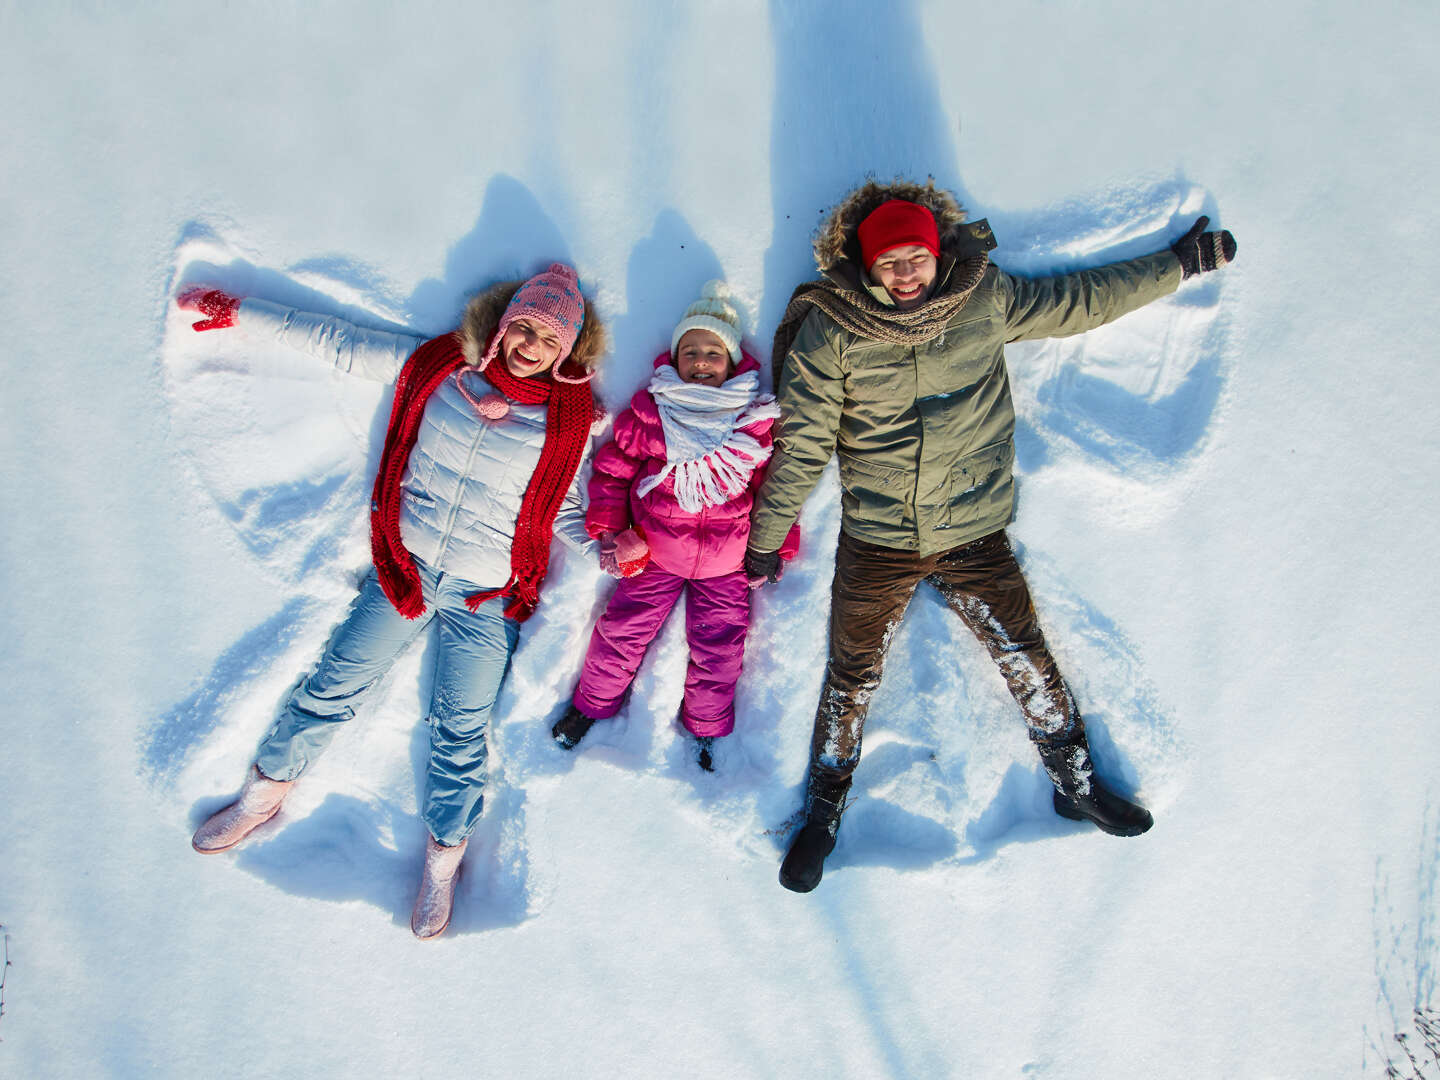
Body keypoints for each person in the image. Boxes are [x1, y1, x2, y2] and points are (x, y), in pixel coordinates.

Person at [746, 179, 1236, 892]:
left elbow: (1080, 301)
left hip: (973, 527)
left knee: (1023, 651)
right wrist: (768, 536)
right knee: (851, 673)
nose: (906, 273)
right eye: (890, 263)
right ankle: (823, 815)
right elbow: (805, 441)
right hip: (878, 538)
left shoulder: (981, 297)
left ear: (937, 253)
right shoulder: (834, 329)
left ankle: (1075, 780)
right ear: (866, 267)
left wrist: (1179, 265)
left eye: (915, 256)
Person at [181, 263, 607, 937]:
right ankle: (264, 793)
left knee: (461, 732)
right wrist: (242, 313)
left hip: (482, 595)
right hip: (403, 568)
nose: (530, 345)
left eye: (547, 338)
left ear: (568, 350)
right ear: (501, 325)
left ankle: (442, 861)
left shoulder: (568, 424)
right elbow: (341, 342)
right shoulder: (440, 367)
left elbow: (570, 509)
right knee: (332, 685)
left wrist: (610, 549)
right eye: (523, 327)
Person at [550, 282, 799, 771]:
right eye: (691, 352)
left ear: (731, 361)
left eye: (712, 352)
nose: (701, 361)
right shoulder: (652, 411)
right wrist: (608, 525)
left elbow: (774, 487)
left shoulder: (751, 420)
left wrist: (778, 544)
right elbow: (615, 468)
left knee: (719, 647)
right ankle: (590, 706)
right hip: (654, 553)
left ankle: (707, 728)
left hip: (727, 563)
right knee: (621, 632)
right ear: (675, 358)